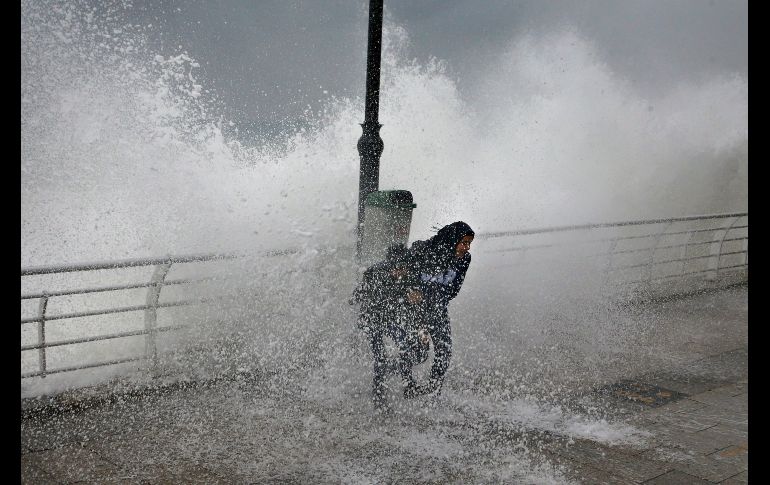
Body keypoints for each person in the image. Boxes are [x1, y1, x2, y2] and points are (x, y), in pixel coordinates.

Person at [351, 221, 475, 408]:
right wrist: (411, 292)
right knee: (417, 352)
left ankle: (432, 393)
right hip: (411, 311)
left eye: (469, 243)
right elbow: (401, 278)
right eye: (463, 242)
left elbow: (454, 289)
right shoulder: (423, 252)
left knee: (444, 351)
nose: (466, 248)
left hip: (436, 309)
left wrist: (434, 300)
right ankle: (390, 377)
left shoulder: (464, 259)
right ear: (452, 240)